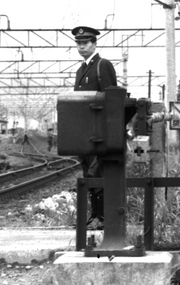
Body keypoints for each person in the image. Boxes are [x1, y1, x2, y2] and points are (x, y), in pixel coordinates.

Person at [72, 25, 117, 230]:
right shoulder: (81, 70)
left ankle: (104, 217)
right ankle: (95, 215)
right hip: (86, 134)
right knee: (88, 174)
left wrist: (109, 131)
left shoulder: (102, 66)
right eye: (78, 43)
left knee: (97, 174)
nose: (81, 47)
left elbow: (112, 100)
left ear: (94, 44)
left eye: (85, 43)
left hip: (101, 133)